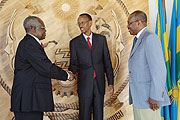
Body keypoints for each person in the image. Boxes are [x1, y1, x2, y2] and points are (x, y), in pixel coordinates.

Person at [10, 16, 73, 120]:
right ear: (34, 29)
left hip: (30, 100)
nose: (45, 30)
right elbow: (45, 67)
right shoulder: (30, 44)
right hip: (28, 100)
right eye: (43, 28)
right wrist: (66, 75)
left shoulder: (29, 43)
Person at [68, 13, 114, 120]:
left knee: (99, 115)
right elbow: (73, 63)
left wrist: (111, 82)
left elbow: (107, 62)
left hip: (99, 83)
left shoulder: (101, 40)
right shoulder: (74, 43)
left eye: (83, 22)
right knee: (84, 115)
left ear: (90, 23)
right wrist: (70, 73)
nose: (80, 25)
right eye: (79, 23)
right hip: (84, 85)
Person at [127, 10, 171, 120]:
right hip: (139, 99)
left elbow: (159, 70)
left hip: (149, 100)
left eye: (130, 23)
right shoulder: (137, 40)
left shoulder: (150, 38)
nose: (127, 26)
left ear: (139, 22)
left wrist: (155, 96)